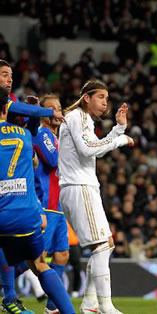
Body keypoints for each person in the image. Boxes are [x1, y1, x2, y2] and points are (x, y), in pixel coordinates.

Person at [59, 80, 133, 314]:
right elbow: (88, 150)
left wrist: (118, 129)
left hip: (82, 186)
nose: (105, 102)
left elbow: (93, 145)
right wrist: (120, 139)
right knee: (101, 246)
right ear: (86, 98)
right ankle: (105, 307)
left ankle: (91, 304)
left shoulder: (83, 120)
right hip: (79, 186)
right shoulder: (78, 116)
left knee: (106, 244)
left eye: (107, 98)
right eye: (101, 97)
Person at [0, 86, 75, 313]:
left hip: (3, 213)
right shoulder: (24, 135)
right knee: (40, 263)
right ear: (7, 107)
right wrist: (36, 112)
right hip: (27, 213)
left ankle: (11, 299)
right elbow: (35, 161)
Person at [33, 94, 70, 313]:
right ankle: (5, 282)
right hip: (45, 205)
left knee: (62, 255)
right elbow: (53, 161)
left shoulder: (56, 137)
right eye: (52, 109)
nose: (58, 112)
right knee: (35, 259)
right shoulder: (42, 133)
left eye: (59, 108)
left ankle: (51, 308)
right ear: (44, 114)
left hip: (59, 207)